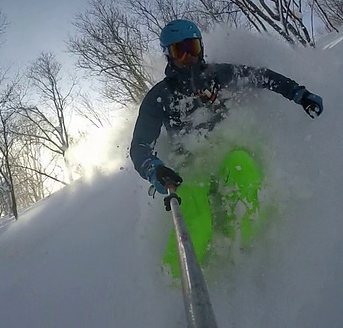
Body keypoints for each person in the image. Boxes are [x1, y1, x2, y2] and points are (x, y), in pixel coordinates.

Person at [129, 19, 323, 276]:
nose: (187, 56)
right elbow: (139, 146)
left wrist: (299, 94)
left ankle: (245, 255)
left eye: (192, 47)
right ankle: (175, 289)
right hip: (190, 167)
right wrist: (156, 170)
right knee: (196, 223)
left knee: (243, 169)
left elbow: (263, 77)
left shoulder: (219, 75)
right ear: (168, 56)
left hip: (224, 154)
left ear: (201, 47)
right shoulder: (159, 97)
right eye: (179, 51)